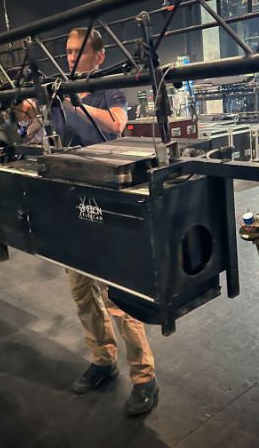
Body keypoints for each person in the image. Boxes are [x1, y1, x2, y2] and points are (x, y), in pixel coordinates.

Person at [50, 28, 158, 417]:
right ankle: (102, 359)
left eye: (78, 52)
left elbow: (116, 125)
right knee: (81, 290)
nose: (70, 58)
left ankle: (144, 377)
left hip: (107, 202)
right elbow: (46, 132)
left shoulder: (108, 89)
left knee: (118, 295)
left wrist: (77, 103)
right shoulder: (61, 93)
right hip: (71, 198)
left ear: (98, 57)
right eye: (67, 51)